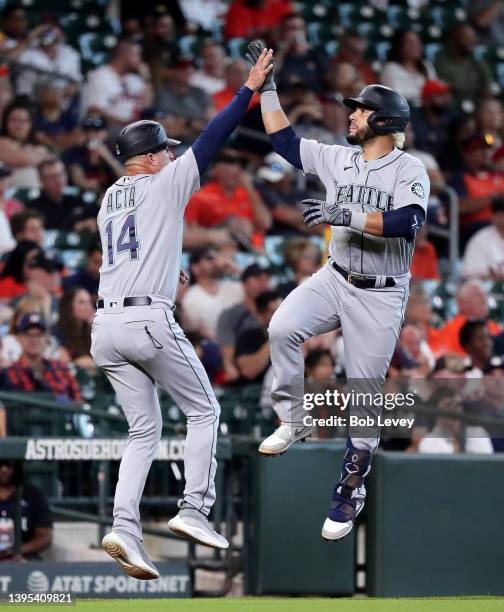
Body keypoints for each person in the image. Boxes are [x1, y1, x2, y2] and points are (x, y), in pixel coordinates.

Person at [91, 46, 273, 576]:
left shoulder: (109, 198)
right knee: (204, 412)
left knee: (143, 430)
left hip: (106, 325)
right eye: (164, 151)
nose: (173, 156)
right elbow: (214, 137)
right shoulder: (165, 179)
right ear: (149, 158)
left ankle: (124, 526)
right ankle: (194, 509)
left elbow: (132, 248)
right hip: (147, 320)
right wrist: (248, 89)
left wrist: (166, 269)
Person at [248, 39, 430, 541]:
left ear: (385, 121)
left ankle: (350, 488)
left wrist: (344, 213)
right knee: (282, 327)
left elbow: (407, 223)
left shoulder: (409, 168)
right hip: (336, 275)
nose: (350, 115)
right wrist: (268, 91)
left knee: (364, 400)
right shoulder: (336, 159)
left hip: (381, 291)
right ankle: (293, 417)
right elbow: (285, 143)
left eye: (359, 110)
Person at [184, 150, 271, 251]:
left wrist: (249, 188)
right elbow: (191, 231)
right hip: (221, 249)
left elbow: (265, 223)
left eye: (237, 164)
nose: (235, 169)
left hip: (257, 248)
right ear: (214, 170)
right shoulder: (200, 196)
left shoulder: (248, 193)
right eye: (228, 164)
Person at [448, 133, 504, 247]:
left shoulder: (501, 175)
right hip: (474, 230)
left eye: (488, 149)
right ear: (467, 154)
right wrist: (494, 197)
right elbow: (458, 207)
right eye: (479, 149)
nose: (485, 153)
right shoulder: (460, 177)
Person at [5, 312, 81, 400]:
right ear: (19, 338)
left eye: (39, 335)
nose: (34, 340)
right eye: (28, 335)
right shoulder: (11, 372)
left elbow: (79, 401)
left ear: (47, 338)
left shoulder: (60, 368)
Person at [216, 263, 270, 382]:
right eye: (257, 279)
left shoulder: (276, 312)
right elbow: (228, 357)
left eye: (266, 279)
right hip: (244, 374)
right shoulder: (231, 314)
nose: (262, 283)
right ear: (244, 283)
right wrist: (229, 367)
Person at [81, 40, 152, 126]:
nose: (140, 59)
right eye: (136, 54)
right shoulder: (100, 76)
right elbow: (94, 111)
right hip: (104, 129)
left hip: (130, 130)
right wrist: (126, 125)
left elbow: (147, 108)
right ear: (123, 55)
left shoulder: (134, 79)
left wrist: (147, 80)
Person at [181, 246, 243, 339]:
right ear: (195, 268)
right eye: (209, 258)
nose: (215, 261)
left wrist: (237, 270)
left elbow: (261, 294)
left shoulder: (232, 286)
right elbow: (198, 332)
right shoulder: (190, 298)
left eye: (216, 258)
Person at [0, 459, 53, 561]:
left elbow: (45, 536)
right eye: (0, 465)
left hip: (23, 556)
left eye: (8, 465)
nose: (4, 470)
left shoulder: (32, 494)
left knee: (34, 568)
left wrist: (16, 551)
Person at [27, 159, 99, 232]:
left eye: (61, 174)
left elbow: (95, 213)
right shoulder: (34, 207)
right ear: (41, 180)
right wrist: (75, 227)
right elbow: (47, 229)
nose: (58, 180)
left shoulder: (75, 199)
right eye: (52, 177)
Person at [417, 388, 493, 454]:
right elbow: (452, 468)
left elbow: (485, 465)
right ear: (437, 415)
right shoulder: (429, 442)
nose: (455, 409)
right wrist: (457, 438)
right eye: (448, 405)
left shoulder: (478, 432)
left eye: (458, 404)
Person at [155, 58, 214, 141]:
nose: (188, 70)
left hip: (206, 142)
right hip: (180, 145)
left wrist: (186, 123)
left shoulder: (200, 92)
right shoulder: (162, 95)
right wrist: (193, 124)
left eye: (190, 67)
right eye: (182, 68)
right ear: (171, 71)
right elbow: (171, 131)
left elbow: (213, 125)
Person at [438, 281, 502, 357]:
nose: (483, 299)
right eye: (477, 295)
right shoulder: (450, 329)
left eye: (485, 295)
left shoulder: (494, 327)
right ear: (461, 303)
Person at [255, 152, 312, 236]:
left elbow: (317, 223)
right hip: (274, 239)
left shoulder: (301, 195)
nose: (271, 182)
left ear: (289, 176)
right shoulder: (263, 190)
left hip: (303, 240)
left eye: (278, 179)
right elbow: (283, 215)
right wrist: (302, 220)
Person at [434, 24, 493, 104]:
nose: (471, 41)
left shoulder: (477, 60)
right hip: (454, 104)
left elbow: (487, 87)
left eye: (473, 38)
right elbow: (451, 89)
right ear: (454, 40)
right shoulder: (442, 60)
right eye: (466, 38)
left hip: (477, 102)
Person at [234, 289, 282, 384]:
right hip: (257, 393)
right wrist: (274, 338)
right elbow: (248, 371)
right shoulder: (248, 337)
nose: (280, 316)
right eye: (273, 312)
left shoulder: (294, 336)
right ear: (260, 314)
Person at [0, 100, 50, 189]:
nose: (18, 125)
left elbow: (50, 160)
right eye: (14, 120)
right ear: (6, 122)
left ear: (31, 124)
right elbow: (22, 159)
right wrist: (41, 153)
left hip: (37, 194)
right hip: (9, 195)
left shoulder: (36, 145)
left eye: (23, 121)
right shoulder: (2, 141)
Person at [380, 29, 437, 107]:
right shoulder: (390, 69)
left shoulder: (426, 65)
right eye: (409, 43)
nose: (415, 46)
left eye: (417, 42)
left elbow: (436, 90)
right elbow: (397, 99)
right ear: (399, 46)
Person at [54, 288, 95, 370]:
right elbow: (59, 365)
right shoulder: (57, 332)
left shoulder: (91, 330)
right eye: (81, 302)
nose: (89, 306)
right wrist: (76, 364)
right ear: (68, 307)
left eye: (89, 301)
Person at [224, 0, 293, 40]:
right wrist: (265, 32)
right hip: (248, 46)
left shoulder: (277, 5)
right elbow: (235, 34)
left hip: (276, 44)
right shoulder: (238, 6)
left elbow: (292, 23)